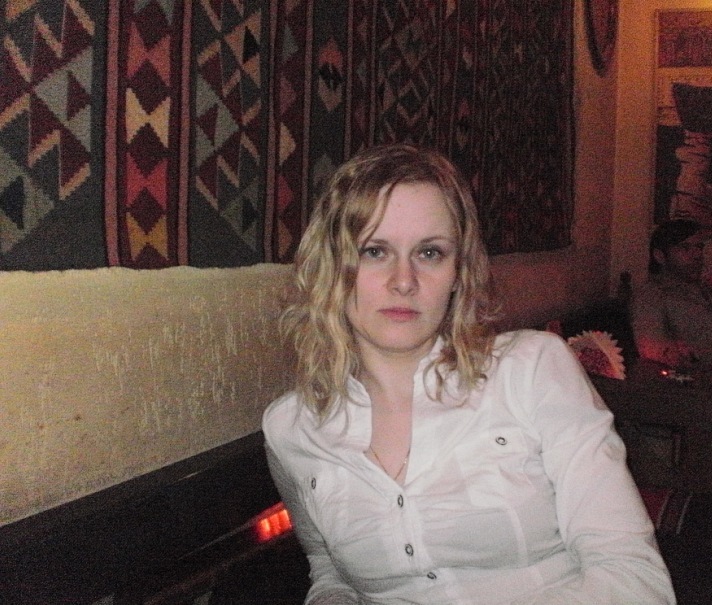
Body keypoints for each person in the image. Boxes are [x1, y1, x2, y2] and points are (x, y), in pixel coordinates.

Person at [263, 143, 675, 604]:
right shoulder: (290, 427)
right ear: (332, 266)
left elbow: (633, 578)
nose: (404, 280)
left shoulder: (532, 369)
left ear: (459, 272)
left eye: (430, 252)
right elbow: (329, 571)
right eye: (375, 251)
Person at [631, 219, 712, 368]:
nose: (697, 254)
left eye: (699, 247)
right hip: (710, 377)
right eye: (685, 248)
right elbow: (654, 353)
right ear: (660, 256)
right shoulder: (652, 295)